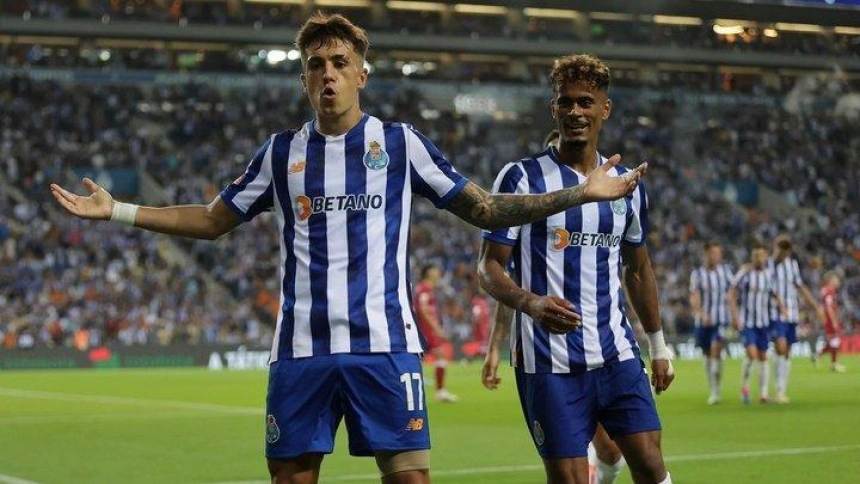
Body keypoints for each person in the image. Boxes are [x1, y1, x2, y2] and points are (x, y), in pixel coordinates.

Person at [49, 14, 646, 484]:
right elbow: (212, 220)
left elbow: (485, 208)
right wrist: (120, 211)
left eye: (341, 62)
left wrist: (575, 193)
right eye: (317, 65)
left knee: (411, 479)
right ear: (304, 78)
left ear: (363, 74)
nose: (328, 73)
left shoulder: (401, 143)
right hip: (301, 352)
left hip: (386, 348)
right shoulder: (280, 153)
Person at [478, 54, 673, 484]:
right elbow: (489, 268)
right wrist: (530, 303)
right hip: (548, 363)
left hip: (616, 353)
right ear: (553, 109)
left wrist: (658, 346)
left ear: (605, 108)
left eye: (586, 102)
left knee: (652, 467)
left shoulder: (626, 185)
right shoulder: (521, 178)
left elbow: (637, 270)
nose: (575, 112)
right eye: (565, 103)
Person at [485, 128, 628, 484]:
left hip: (599, 351)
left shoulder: (604, 205)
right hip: (546, 356)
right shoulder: (529, 203)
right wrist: (493, 349)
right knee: (567, 465)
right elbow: (504, 281)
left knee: (611, 449)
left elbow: (627, 271)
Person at [728, 241, 786, 405]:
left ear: (766, 256)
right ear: (752, 257)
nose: (759, 258)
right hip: (747, 322)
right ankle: (745, 387)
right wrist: (734, 316)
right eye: (756, 255)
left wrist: (782, 308)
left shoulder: (769, 275)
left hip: (764, 322)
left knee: (763, 357)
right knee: (752, 354)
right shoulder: (744, 273)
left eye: (761, 255)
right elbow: (731, 294)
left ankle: (763, 393)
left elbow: (774, 294)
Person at [767, 235, 822, 403]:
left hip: (792, 313)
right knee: (781, 345)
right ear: (774, 247)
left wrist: (815, 306)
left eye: (784, 250)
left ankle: (781, 390)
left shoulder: (792, 265)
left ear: (789, 251)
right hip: (774, 312)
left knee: (787, 351)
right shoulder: (766, 265)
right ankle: (777, 388)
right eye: (779, 248)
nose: (781, 253)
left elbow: (800, 286)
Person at [689, 241, 733, 405]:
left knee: (716, 349)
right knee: (707, 354)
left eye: (718, 253)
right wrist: (700, 313)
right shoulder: (697, 274)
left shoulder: (726, 272)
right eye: (713, 253)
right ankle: (713, 387)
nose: (716, 257)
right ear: (706, 254)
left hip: (721, 319)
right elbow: (694, 295)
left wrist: (735, 314)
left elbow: (733, 291)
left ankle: (716, 391)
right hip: (703, 321)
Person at [413, 264, 458, 402]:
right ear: (428, 273)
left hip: (424, 328)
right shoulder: (424, 288)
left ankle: (424, 391)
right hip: (426, 329)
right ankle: (440, 392)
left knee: (419, 358)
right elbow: (423, 309)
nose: (438, 273)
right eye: (435, 270)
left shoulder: (428, 289)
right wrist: (436, 327)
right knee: (440, 356)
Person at [817, 271, 846, 373]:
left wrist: (822, 317)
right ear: (831, 281)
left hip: (828, 319)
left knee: (831, 341)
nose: (838, 282)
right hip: (830, 319)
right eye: (836, 280)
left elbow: (821, 306)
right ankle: (834, 364)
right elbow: (829, 308)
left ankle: (818, 356)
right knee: (835, 340)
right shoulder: (830, 291)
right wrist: (834, 320)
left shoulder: (824, 291)